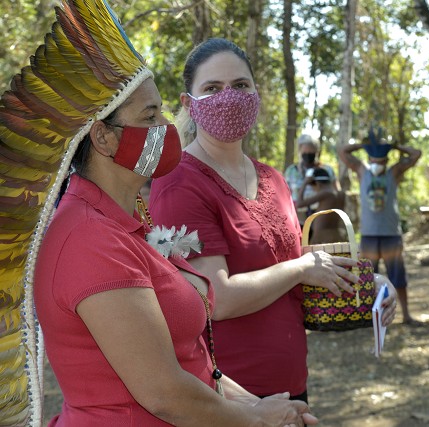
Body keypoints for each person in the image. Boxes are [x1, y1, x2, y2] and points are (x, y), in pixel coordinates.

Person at [22, 2, 317, 425]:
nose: (167, 125)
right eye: (150, 115)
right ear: (103, 137)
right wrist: (257, 420)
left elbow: (193, 361)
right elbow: (163, 392)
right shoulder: (87, 238)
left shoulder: (127, 221)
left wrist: (263, 407)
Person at [148, 38, 397, 403]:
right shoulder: (179, 183)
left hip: (292, 387)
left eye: (240, 86)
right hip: (228, 399)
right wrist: (299, 269)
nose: (229, 97)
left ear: (256, 95)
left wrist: (367, 283)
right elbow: (218, 298)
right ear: (189, 103)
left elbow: (304, 270)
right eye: (212, 88)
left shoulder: (273, 179)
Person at [338, 127, 421, 325]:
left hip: (391, 234)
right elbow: (342, 151)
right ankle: (367, 316)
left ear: (386, 161)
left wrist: (394, 146)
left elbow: (417, 154)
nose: (377, 164)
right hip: (368, 235)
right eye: (374, 160)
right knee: (367, 278)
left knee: (397, 276)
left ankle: (406, 315)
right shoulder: (362, 171)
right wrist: (364, 145)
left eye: (381, 160)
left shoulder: (394, 172)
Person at [284, 134, 339, 225]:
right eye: (305, 153)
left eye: (311, 153)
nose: (308, 156)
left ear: (317, 152)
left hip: (321, 217)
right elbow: (285, 195)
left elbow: (336, 191)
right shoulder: (291, 171)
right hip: (297, 219)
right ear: (300, 152)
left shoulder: (326, 170)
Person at [295, 167, 347, 244]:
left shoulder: (326, 193)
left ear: (317, 184)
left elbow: (299, 204)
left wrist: (305, 183)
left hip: (321, 238)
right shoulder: (341, 194)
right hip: (337, 236)